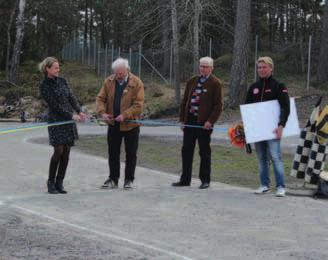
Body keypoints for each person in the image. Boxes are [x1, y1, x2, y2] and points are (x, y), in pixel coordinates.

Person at [172, 57, 224, 189]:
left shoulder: (215, 83)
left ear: (211, 68)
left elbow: (218, 105)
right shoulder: (192, 81)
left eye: (206, 66)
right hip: (190, 121)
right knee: (186, 150)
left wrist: (210, 121)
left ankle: (205, 180)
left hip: (204, 124)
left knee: (204, 151)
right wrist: (182, 120)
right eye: (201, 66)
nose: (203, 68)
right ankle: (185, 179)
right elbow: (185, 102)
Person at [39, 57, 86, 194]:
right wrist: (71, 115)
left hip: (68, 122)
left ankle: (60, 182)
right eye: (55, 67)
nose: (58, 70)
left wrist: (79, 111)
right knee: (58, 151)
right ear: (47, 69)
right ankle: (51, 182)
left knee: (66, 153)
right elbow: (54, 105)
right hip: (56, 121)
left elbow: (71, 97)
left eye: (58, 67)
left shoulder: (63, 81)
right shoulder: (44, 85)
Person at [96, 58, 144, 189]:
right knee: (113, 153)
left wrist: (125, 115)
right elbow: (100, 99)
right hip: (113, 124)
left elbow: (138, 105)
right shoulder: (109, 81)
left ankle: (129, 179)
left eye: (120, 73)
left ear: (127, 70)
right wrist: (103, 113)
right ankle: (113, 179)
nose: (118, 76)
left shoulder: (137, 82)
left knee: (131, 153)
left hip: (131, 125)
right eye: (116, 73)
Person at [245, 56, 290, 197]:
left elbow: (285, 108)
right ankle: (264, 185)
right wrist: (247, 128)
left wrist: (281, 125)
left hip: (273, 129)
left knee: (276, 157)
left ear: (271, 68)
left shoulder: (279, 86)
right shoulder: (253, 88)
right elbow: (248, 110)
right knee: (262, 158)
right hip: (258, 130)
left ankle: (281, 187)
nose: (261, 69)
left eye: (264, 67)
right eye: (259, 67)